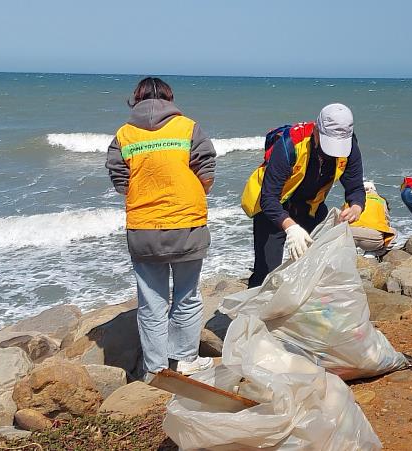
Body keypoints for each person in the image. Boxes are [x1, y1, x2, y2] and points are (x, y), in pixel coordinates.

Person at [106, 77, 216, 378]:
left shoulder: (124, 135)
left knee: (152, 303)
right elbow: (206, 171)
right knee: (187, 295)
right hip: (187, 225)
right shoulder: (188, 128)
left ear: (136, 99)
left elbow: (120, 181)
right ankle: (184, 360)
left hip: (143, 230)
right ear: (170, 99)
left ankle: (155, 370)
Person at [241, 103, 365, 288]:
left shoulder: (349, 147)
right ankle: (253, 312)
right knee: (267, 272)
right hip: (273, 208)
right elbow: (269, 198)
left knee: (315, 266)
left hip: (310, 208)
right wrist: (291, 228)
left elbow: (355, 188)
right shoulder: (289, 145)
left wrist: (356, 207)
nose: (332, 153)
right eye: (328, 143)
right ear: (316, 130)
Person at [348, 181, 396, 256]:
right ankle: (373, 253)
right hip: (373, 240)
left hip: (350, 237)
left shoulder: (350, 200)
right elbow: (387, 222)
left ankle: (351, 254)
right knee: (393, 232)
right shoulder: (381, 200)